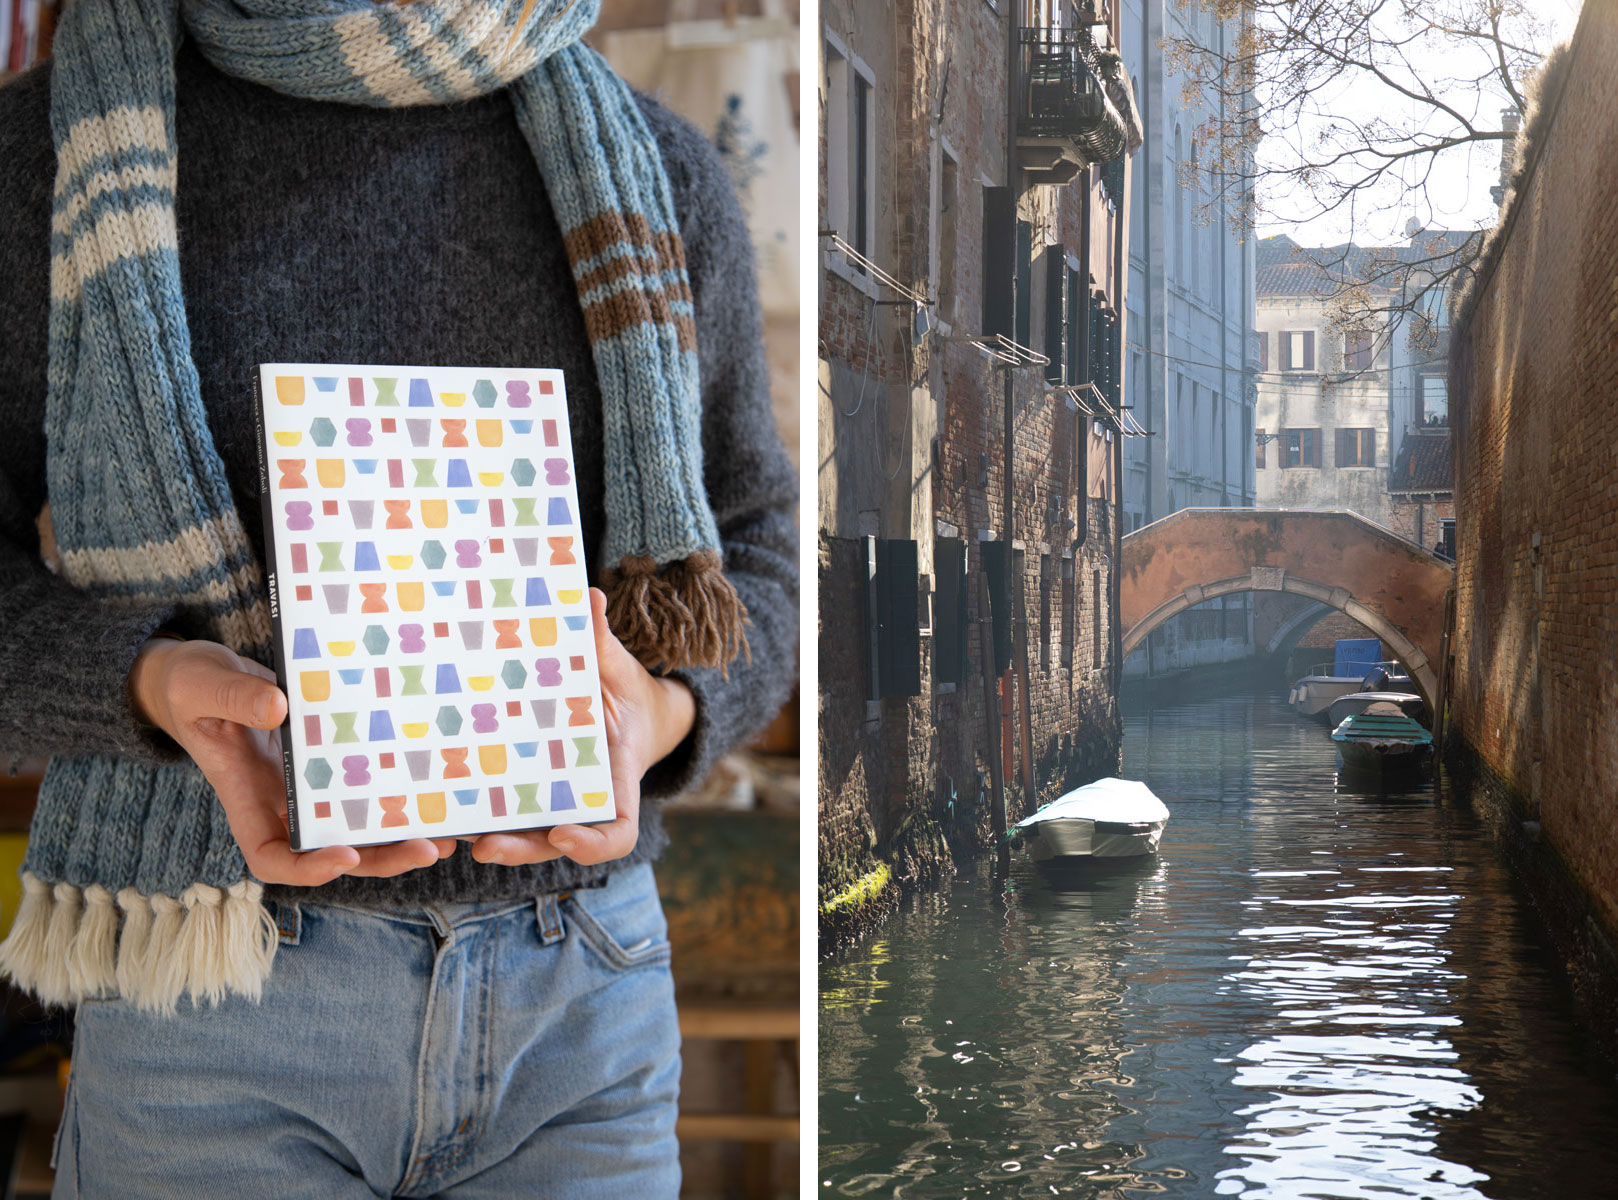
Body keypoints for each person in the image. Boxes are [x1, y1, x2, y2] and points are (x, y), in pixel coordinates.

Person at [0, 0, 798, 1194]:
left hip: (577, 1000)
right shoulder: (43, 161)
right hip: (208, 984)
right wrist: (146, 680)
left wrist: (665, 714)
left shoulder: (657, 165)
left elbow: (759, 547)